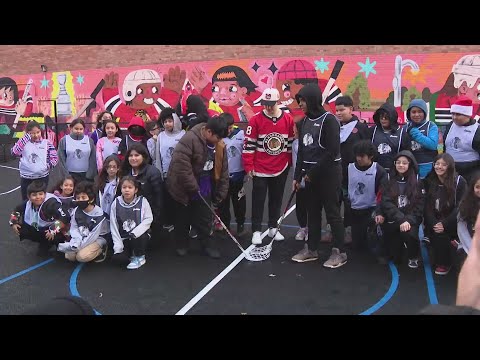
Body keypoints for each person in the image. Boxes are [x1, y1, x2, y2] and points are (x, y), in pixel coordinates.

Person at [291, 83, 347, 268]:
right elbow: (302, 152)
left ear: (313, 100)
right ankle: (312, 249)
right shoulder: (304, 121)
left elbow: (332, 151)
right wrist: (297, 176)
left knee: (332, 213)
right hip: (310, 176)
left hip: (329, 174)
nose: (300, 104)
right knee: (312, 212)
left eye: (303, 100)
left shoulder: (329, 120)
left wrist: (312, 173)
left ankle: (339, 251)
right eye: (299, 101)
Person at [166, 116, 229, 258]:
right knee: (183, 217)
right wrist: (193, 187)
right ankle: (181, 244)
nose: (219, 140)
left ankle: (207, 244)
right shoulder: (189, 139)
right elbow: (181, 166)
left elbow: (223, 170)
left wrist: (221, 192)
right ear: (208, 131)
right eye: (217, 137)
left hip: (205, 184)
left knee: (205, 217)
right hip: (183, 186)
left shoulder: (220, 145)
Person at [242, 87, 294, 245]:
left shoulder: (287, 119)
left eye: (271, 104)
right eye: (265, 104)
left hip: (280, 167)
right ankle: (256, 230)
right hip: (260, 168)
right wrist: (249, 166)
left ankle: (273, 227)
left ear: (278, 102)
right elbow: (249, 145)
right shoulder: (255, 120)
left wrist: (289, 163)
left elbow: (290, 144)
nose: (268, 107)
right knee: (258, 200)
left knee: (276, 199)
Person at [377, 151, 425, 267]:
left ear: (410, 164)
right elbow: (385, 202)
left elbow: (420, 205)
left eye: (404, 163)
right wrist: (401, 219)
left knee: (409, 233)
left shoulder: (418, 181)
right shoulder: (388, 179)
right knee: (395, 257)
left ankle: (413, 255)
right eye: (398, 162)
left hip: (410, 219)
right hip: (394, 217)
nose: (401, 165)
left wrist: (407, 220)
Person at [424, 153, 467, 275]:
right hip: (435, 222)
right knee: (436, 240)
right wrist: (434, 223)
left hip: (453, 221)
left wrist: (445, 223)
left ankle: (445, 262)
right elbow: (427, 207)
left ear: (450, 166)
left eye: (443, 164)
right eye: (437, 164)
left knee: (443, 237)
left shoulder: (459, 181)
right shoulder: (429, 180)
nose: (439, 167)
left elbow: (460, 206)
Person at [345, 140, 388, 254]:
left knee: (373, 245)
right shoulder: (349, 168)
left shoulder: (379, 171)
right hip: (354, 209)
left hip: (371, 209)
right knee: (357, 246)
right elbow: (343, 185)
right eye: (357, 156)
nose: (358, 159)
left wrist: (379, 211)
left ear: (371, 156)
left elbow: (382, 194)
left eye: (362, 156)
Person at [9, 180, 70, 256]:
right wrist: (13, 222)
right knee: (21, 229)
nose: (38, 197)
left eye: (40, 194)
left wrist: (53, 229)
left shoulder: (51, 203)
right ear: (29, 196)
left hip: (53, 230)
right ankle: (44, 242)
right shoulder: (28, 202)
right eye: (34, 195)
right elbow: (17, 209)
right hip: (41, 227)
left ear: (45, 194)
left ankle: (58, 242)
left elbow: (65, 216)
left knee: (53, 238)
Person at [57, 181, 109, 263]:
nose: (80, 200)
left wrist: (78, 247)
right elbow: (74, 228)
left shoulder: (99, 215)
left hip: (97, 238)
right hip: (82, 236)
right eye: (78, 198)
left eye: (83, 197)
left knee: (81, 257)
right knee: (69, 256)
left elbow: (93, 236)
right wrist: (76, 242)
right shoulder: (76, 210)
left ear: (91, 199)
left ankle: (101, 250)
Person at [118, 143, 164, 234]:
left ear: (143, 156)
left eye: (137, 155)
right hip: (129, 216)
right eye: (131, 156)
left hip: (149, 217)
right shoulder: (125, 172)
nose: (133, 158)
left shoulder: (153, 172)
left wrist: (155, 219)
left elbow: (159, 198)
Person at [153, 107, 185, 231]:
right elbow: (158, 156)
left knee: (180, 202)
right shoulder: (161, 136)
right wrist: (159, 173)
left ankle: (182, 224)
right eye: (165, 121)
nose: (167, 124)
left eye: (170, 121)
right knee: (168, 201)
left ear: (175, 120)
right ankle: (170, 222)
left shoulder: (183, 134)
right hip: (166, 175)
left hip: (180, 176)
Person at [111, 176, 153, 270]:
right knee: (119, 260)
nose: (127, 190)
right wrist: (118, 246)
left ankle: (140, 256)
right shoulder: (116, 203)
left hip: (139, 236)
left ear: (136, 189)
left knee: (141, 236)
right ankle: (130, 253)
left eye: (130, 187)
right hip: (124, 237)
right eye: (124, 187)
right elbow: (113, 225)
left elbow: (148, 219)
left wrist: (136, 232)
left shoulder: (143, 201)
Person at [11, 120, 58, 201]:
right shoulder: (23, 143)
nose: (36, 135)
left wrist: (48, 166)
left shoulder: (46, 143)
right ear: (27, 133)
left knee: (40, 199)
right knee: (26, 200)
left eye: (38, 132)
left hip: (42, 177)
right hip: (26, 178)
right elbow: (14, 152)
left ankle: (40, 213)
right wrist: (25, 139)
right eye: (32, 133)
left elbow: (54, 157)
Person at [217, 113, 247, 235]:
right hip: (224, 177)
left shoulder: (241, 134)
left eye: (230, 128)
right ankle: (225, 226)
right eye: (226, 129)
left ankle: (241, 224)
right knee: (223, 203)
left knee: (239, 202)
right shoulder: (218, 137)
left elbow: (246, 153)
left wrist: (246, 171)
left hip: (238, 175)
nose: (228, 131)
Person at [444, 96, 480, 184]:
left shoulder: (477, 130)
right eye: (453, 114)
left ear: (467, 115)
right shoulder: (450, 125)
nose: (454, 117)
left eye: (458, 114)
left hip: (471, 172)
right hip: (451, 171)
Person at [368, 102, 411, 173]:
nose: (383, 119)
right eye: (381, 116)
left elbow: (406, 155)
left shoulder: (402, 134)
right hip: (375, 171)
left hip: (394, 172)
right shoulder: (372, 131)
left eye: (386, 116)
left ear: (392, 117)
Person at [405, 99, 438, 179]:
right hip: (410, 168)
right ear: (409, 114)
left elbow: (433, 144)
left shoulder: (431, 126)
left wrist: (415, 133)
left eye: (420, 111)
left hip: (428, 168)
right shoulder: (405, 128)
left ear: (425, 113)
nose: (416, 114)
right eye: (413, 112)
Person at [57, 118, 97, 184]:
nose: (78, 131)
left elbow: (93, 158)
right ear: (71, 128)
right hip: (70, 175)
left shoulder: (89, 141)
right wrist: (66, 176)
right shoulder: (64, 140)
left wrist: (90, 175)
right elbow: (61, 159)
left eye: (81, 129)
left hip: (86, 175)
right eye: (76, 129)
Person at [457, 171, 480, 254]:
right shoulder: (465, 205)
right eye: (477, 187)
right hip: (468, 245)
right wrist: (473, 251)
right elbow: (462, 231)